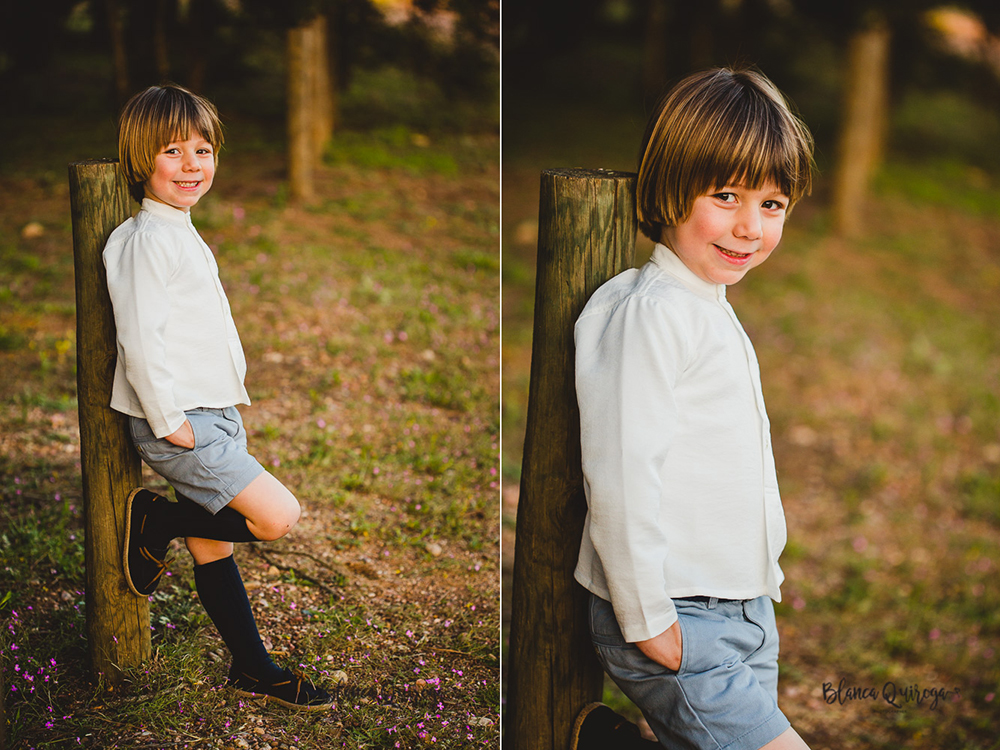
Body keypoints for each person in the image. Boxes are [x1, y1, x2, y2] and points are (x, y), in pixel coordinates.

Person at [570, 68, 815, 749]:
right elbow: (621, 472)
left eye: (772, 205)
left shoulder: (705, 305)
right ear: (671, 186)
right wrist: (648, 619)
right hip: (675, 614)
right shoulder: (651, 314)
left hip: (741, 610)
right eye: (726, 195)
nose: (749, 227)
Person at [104, 83, 333, 711]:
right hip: (181, 420)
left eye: (201, 150)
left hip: (213, 414)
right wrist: (170, 421)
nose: (191, 165)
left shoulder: (176, 229)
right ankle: (158, 521)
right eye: (172, 151)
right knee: (276, 517)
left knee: (216, 545)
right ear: (140, 159)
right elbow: (139, 339)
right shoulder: (147, 240)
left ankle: (252, 667)